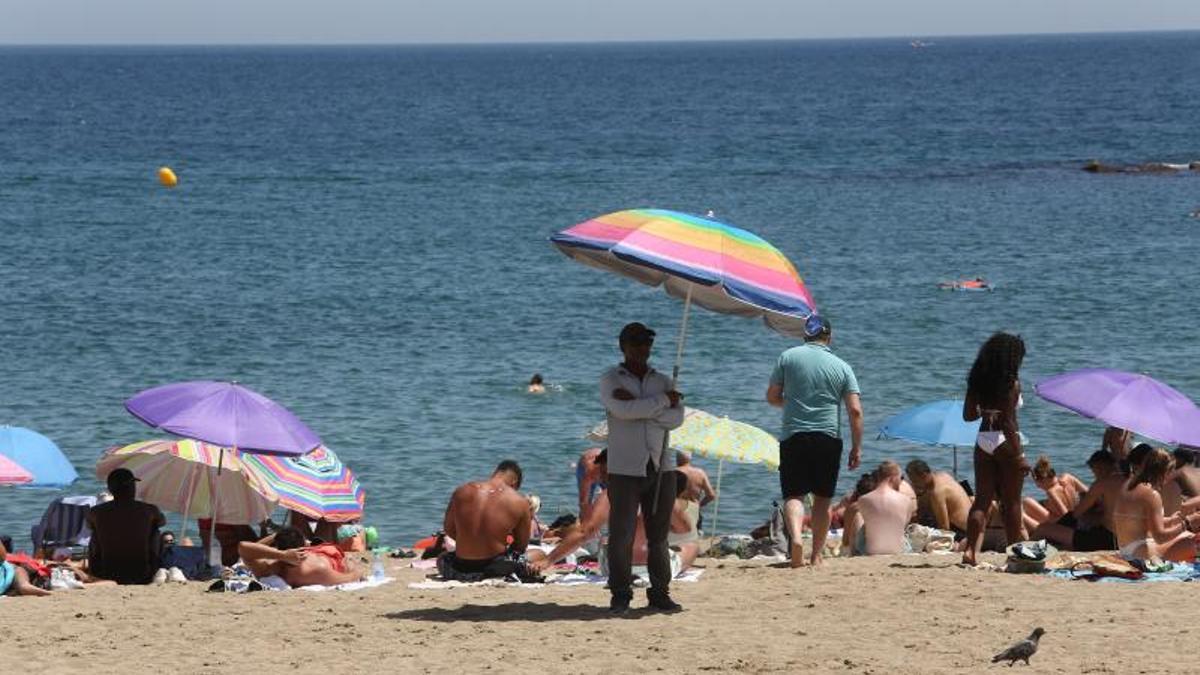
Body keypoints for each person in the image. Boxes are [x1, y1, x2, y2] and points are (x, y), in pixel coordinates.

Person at [598, 321, 685, 613]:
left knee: (659, 536)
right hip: (624, 467)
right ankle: (620, 592)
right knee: (621, 534)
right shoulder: (612, 379)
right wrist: (661, 402)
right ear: (623, 346)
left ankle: (660, 591)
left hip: (661, 465)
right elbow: (621, 410)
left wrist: (640, 407)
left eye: (645, 343)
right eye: (635, 343)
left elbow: (676, 420)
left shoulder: (663, 379)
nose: (641, 349)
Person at [766, 314, 862, 567]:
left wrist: (791, 403)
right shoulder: (842, 366)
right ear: (829, 337)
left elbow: (772, 396)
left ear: (805, 335)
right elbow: (855, 411)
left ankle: (796, 538)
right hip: (827, 438)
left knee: (793, 495)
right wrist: (857, 447)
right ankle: (817, 555)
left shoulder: (787, 357)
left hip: (794, 435)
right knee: (822, 499)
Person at [961, 332, 1027, 566]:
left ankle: (970, 551)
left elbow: (968, 415)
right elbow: (1008, 422)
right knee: (1012, 502)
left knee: (982, 501)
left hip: (984, 439)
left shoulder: (977, 381)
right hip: (1006, 440)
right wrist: (1018, 455)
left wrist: (985, 412)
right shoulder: (1011, 383)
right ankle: (1013, 552)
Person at [437, 460, 537, 581]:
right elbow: (520, 546)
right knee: (538, 554)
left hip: (461, 566)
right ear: (514, 482)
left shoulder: (461, 491)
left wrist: (472, 541)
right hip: (494, 567)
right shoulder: (519, 501)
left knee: (443, 558)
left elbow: (449, 529)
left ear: (495, 473)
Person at [1112, 447, 1196, 561]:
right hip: (1139, 553)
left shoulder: (1128, 485)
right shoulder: (1151, 494)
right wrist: (1187, 523)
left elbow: (1142, 521)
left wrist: (1171, 520)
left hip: (1126, 549)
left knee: (1186, 536)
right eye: (1170, 471)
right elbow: (1160, 538)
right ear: (1163, 471)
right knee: (1193, 542)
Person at [87, 468, 166, 585]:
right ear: (132, 488)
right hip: (143, 574)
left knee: (95, 531)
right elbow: (162, 522)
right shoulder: (149, 510)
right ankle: (154, 569)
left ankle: (94, 572)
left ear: (110, 489)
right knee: (155, 530)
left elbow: (89, 525)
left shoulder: (96, 512)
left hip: (105, 573)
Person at [1033, 450, 1120, 551]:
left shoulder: (1101, 484)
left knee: (1043, 529)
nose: (1095, 475)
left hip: (1103, 540)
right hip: (1119, 538)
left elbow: (1077, 513)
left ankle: (1021, 557)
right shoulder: (1127, 481)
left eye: (1094, 471)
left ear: (1101, 468)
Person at [238, 527, 366, 586]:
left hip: (319, 553)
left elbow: (243, 548)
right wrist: (356, 569)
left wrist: (281, 551)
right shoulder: (316, 569)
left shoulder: (269, 568)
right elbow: (350, 577)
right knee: (327, 521)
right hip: (328, 553)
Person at [848, 462, 916, 555]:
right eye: (900, 477)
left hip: (870, 551)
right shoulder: (906, 500)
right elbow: (904, 525)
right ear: (893, 477)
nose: (901, 481)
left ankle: (852, 553)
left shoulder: (863, 500)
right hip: (899, 551)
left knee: (860, 518)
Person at [905, 459, 971, 538]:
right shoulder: (943, 475)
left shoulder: (937, 492)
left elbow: (944, 528)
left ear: (924, 475)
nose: (913, 484)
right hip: (971, 524)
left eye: (914, 481)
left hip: (963, 531)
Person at [1022, 456, 1088, 532]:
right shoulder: (1068, 477)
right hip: (1076, 516)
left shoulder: (1051, 492)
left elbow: (1066, 517)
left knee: (1026, 503)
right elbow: (1087, 493)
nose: (1038, 487)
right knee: (1028, 502)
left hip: (1066, 527)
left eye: (1037, 484)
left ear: (1043, 480)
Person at [1162, 447, 1200, 516]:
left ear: (1180, 459)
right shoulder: (1198, 470)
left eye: (1173, 458)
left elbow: (1161, 483)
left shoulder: (1181, 472)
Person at [575, 447, 607, 524]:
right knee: (586, 502)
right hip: (583, 466)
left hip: (602, 458)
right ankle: (583, 529)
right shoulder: (589, 472)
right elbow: (583, 502)